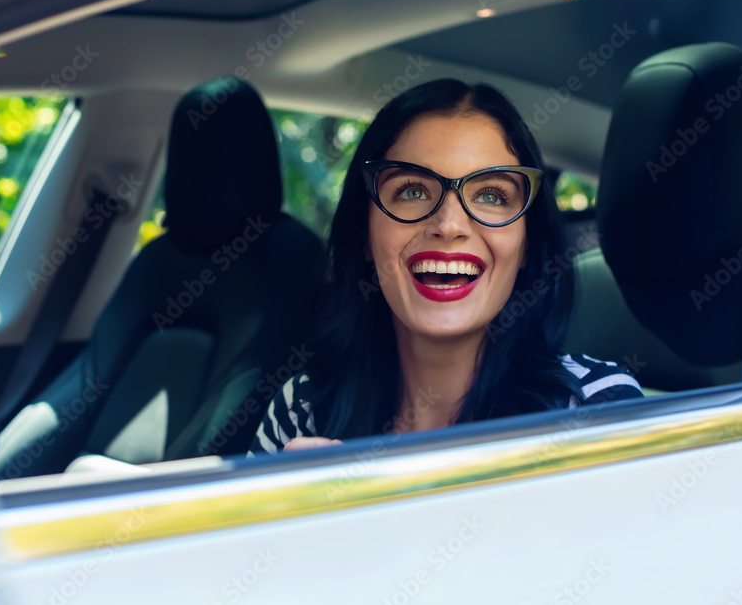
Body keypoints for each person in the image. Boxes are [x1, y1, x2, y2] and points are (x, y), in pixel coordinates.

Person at [249, 79, 642, 455]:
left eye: (491, 195)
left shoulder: (595, 406)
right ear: (366, 236)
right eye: (412, 191)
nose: (449, 225)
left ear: (526, 246)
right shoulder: (301, 410)